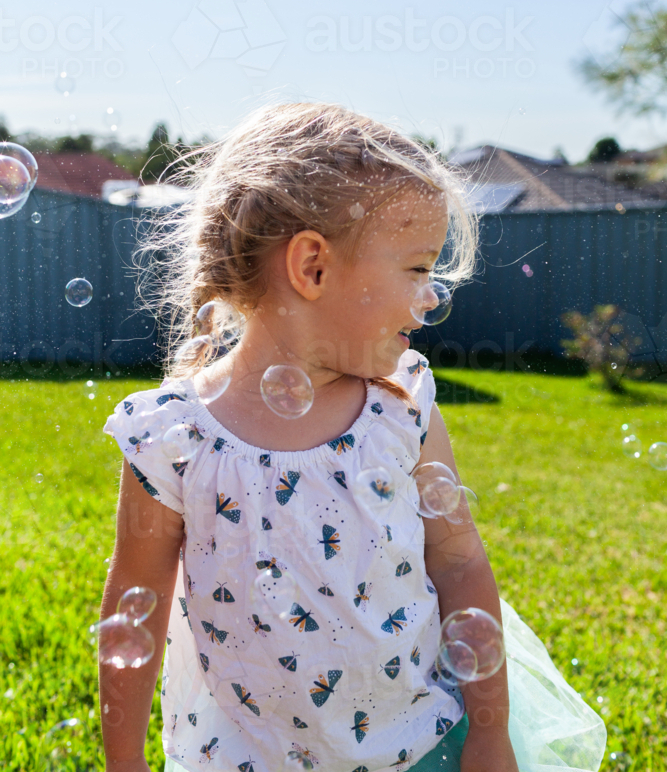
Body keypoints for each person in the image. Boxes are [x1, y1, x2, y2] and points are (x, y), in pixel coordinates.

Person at [101, 102, 605, 772]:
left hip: (419, 745)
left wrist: (488, 733)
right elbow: (135, 610)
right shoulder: (171, 437)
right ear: (311, 265)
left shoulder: (400, 406)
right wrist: (124, 763)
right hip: (246, 759)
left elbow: (457, 563)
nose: (430, 297)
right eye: (418, 267)